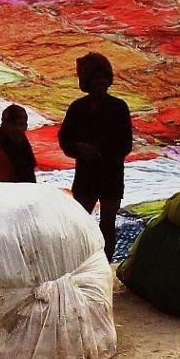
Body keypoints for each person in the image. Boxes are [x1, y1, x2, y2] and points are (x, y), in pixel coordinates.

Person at [58, 53, 132, 253]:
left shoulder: (119, 108)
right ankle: (80, 259)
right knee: (80, 223)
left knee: (108, 223)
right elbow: (65, 139)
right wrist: (78, 149)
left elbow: (126, 144)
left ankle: (104, 263)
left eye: (103, 78)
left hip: (111, 175)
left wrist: (100, 154)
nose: (100, 82)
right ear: (87, 82)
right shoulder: (77, 108)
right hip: (86, 175)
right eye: (95, 78)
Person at [0, 103, 35, 186]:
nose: (24, 128)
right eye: (19, 124)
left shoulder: (21, 143)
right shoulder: (0, 154)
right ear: (8, 126)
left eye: (25, 123)